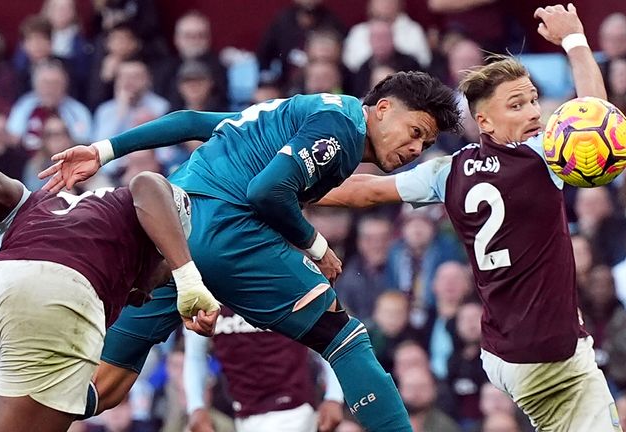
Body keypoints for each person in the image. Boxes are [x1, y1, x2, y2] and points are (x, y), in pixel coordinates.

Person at [40, 69, 461, 431]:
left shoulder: (300, 112)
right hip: (225, 232)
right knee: (344, 338)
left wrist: (102, 149)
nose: (415, 150)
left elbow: (189, 121)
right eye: (415, 133)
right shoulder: (342, 128)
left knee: (107, 384)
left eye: (425, 146)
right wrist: (316, 246)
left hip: (167, 234)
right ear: (383, 108)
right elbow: (267, 191)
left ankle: (18, 406)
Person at [315, 4, 621, 430]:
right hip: (549, 354)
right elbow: (595, 115)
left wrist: (287, 190)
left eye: (533, 99)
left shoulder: (449, 169)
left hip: (499, 351)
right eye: (517, 105)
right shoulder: (541, 157)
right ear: (485, 122)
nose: (534, 112)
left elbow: (363, 191)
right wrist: (574, 40)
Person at [0, 165, 219, 432]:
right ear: (159, 239)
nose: (148, 296)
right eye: (163, 278)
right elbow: (147, 183)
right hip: (57, 294)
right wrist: (187, 277)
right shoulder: (135, 207)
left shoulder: (41, 205)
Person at [183, 306, 344, 432]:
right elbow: (195, 355)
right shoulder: (206, 291)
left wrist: (334, 396)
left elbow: (330, 336)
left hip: (292, 409)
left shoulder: (284, 277)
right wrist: (196, 406)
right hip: (244, 411)